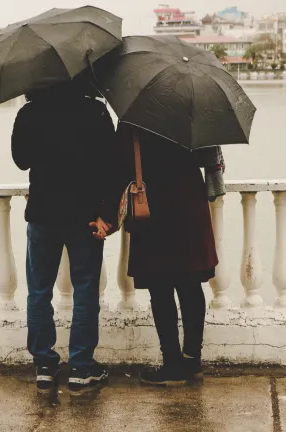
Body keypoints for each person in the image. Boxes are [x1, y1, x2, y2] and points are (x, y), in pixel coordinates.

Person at [12, 80, 118, 395]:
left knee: (39, 291)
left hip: (44, 212)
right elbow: (112, 166)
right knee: (85, 291)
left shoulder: (29, 112)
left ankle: (45, 366)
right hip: (85, 214)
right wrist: (108, 215)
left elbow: (21, 160)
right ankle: (81, 369)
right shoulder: (96, 111)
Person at [116, 125, 222, 386]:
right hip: (188, 202)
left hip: (151, 205)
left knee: (160, 288)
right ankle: (191, 360)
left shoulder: (134, 116)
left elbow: (120, 163)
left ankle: (173, 363)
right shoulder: (191, 108)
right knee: (190, 285)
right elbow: (209, 157)